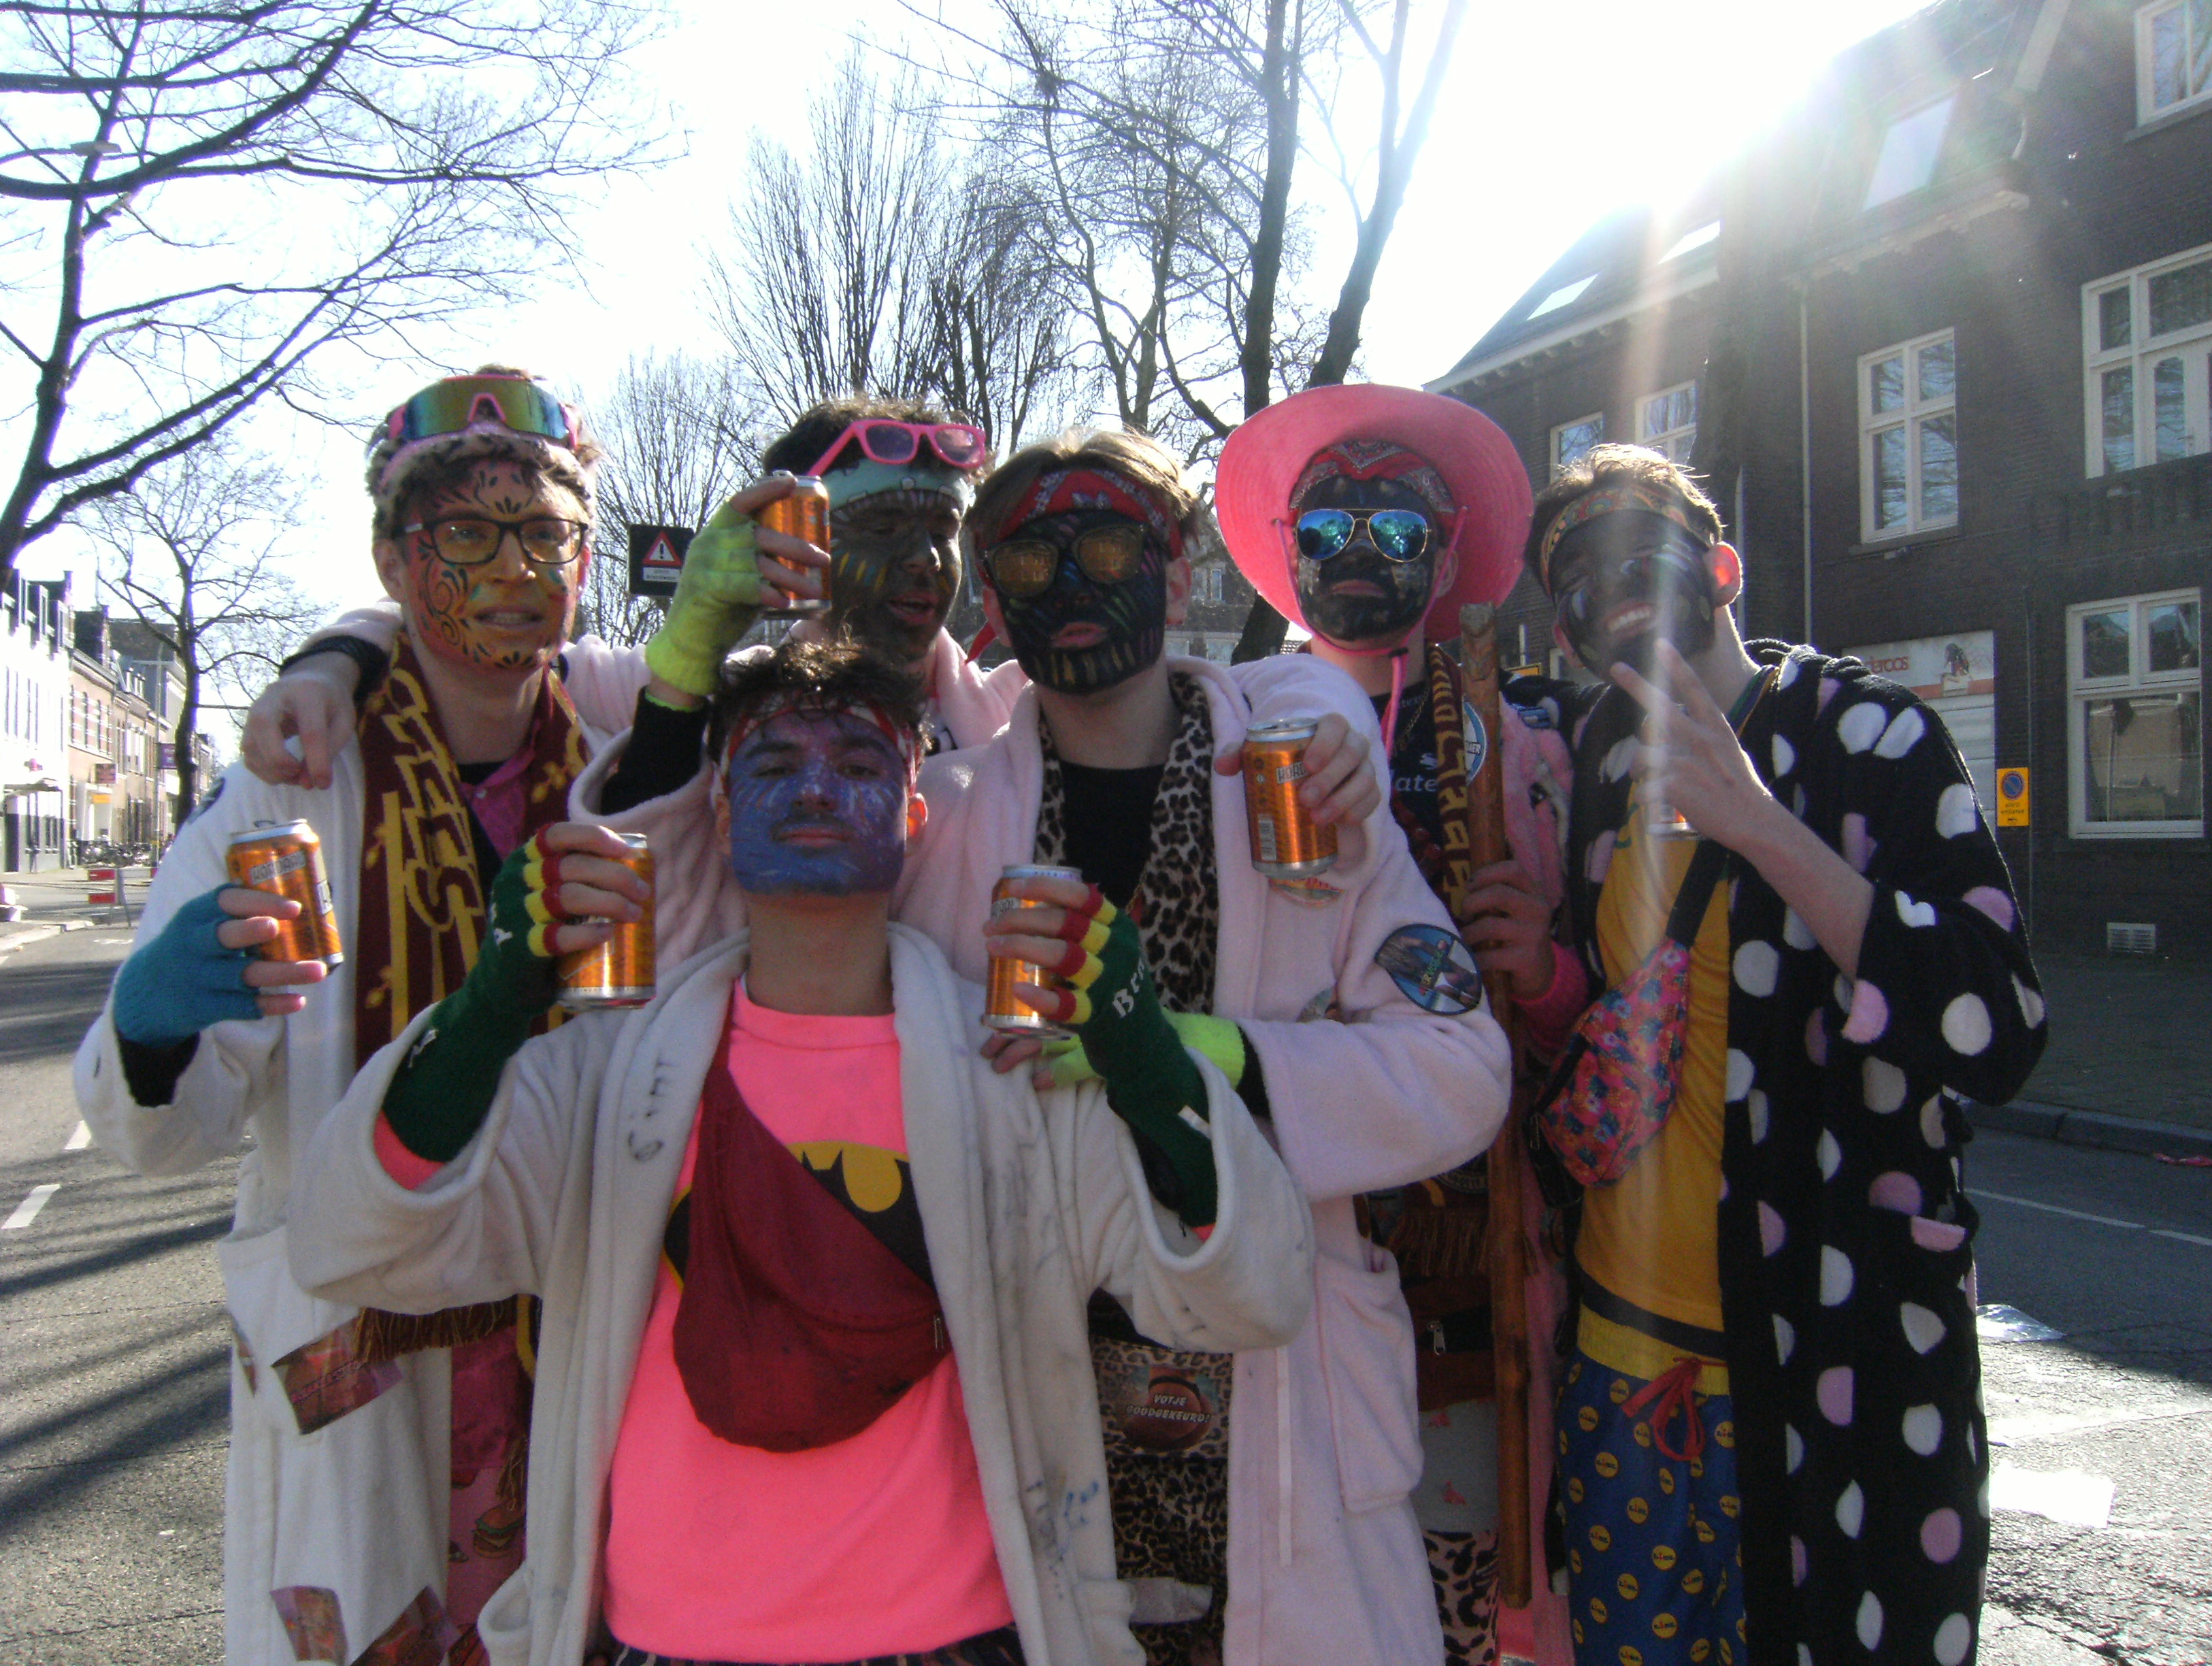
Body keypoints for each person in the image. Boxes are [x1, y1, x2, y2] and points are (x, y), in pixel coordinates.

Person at [584, 425, 1511, 1666]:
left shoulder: (1301, 786)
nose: (1071, 583)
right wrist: (687, 661)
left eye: (1110, 547)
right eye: (1028, 561)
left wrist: (1209, 1055)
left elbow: (1460, 1070)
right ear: (991, 593)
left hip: (1280, 1397)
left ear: (1175, 572)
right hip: (1042, 1389)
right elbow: (719, 933)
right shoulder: (949, 821)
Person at [285, 638, 1318, 1666]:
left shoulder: (1014, 1078)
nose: (817, 788)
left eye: (861, 766)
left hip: (963, 1639)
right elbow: (354, 1248)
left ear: (915, 816)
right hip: (664, 1641)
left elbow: (1252, 1298)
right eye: (774, 766)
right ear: (720, 814)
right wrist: (483, 1016)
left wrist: (1151, 1068)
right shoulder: (605, 1079)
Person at [71, 369, 697, 1665]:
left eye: (545, 535)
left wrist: (341, 642)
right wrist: (150, 1029)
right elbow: (167, 1132)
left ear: (585, 560)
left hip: (562, 1312)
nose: (511, 568)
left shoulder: (612, 743)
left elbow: (750, 678)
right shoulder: (293, 788)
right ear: (393, 558)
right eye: (465, 534)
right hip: (360, 1348)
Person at [1514, 444, 2046, 1665]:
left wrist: (1759, 825)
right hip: (1621, 1360)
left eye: (1640, 554)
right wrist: (1541, 974)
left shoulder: (1871, 737)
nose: (1610, 589)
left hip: (1836, 1353)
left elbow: (1998, 1025)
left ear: (1722, 570)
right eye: (1574, 577)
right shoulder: (1595, 759)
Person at [1215, 382, 1576, 1666]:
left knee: (1455, 1579)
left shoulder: (1530, 746)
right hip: (1284, 1228)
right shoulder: (1225, 724)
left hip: (1476, 1251)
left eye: (1396, 528)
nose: (1358, 554)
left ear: (1450, 546)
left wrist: (1546, 974)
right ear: (1286, 548)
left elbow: (1603, 1003)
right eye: (1325, 529)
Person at [241, 395, 1015, 787]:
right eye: (881, 526)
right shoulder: (708, 694)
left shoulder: (1015, 717)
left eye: (943, 528)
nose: (924, 560)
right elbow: (506, 641)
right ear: (789, 533)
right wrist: (336, 659)